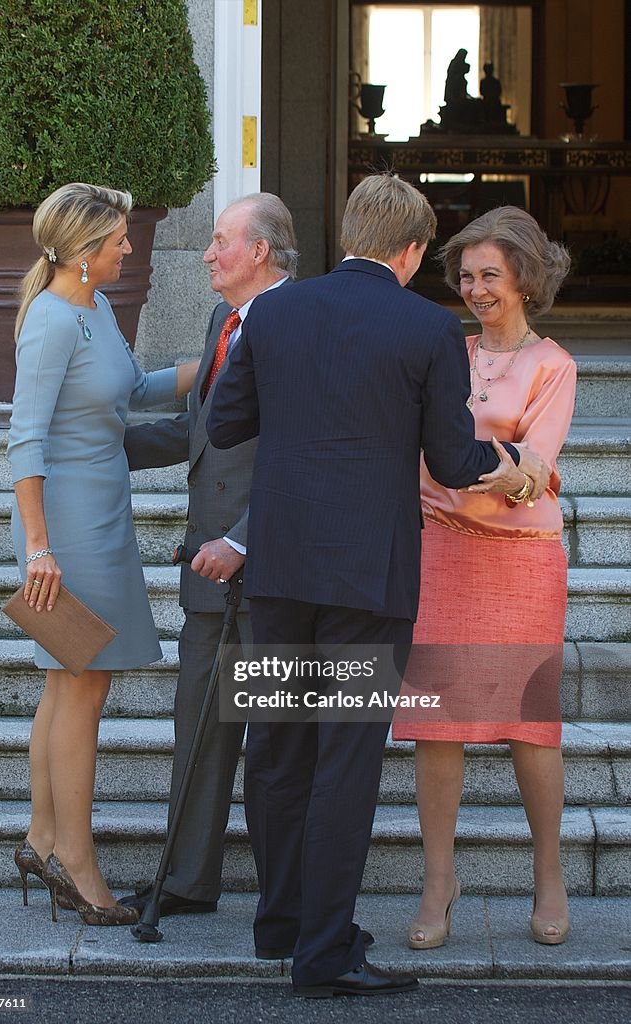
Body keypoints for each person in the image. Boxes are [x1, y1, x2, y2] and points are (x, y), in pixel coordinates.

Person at [206, 174, 547, 997]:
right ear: (414, 249)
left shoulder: (276, 310)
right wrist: (510, 469)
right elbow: (448, 459)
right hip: (367, 574)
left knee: (279, 747)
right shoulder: (426, 326)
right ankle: (323, 953)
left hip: (278, 565)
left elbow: (224, 424)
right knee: (344, 760)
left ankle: (278, 924)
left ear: (348, 231)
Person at [8, 182, 197, 926]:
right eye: (119, 239)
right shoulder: (52, 321)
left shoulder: (97, 308)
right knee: (83, 684)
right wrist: (39, 548)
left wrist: (215, 357)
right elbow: (23, 438)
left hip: (101, 513)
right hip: (66, 529)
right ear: (87, 251)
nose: (129, 247)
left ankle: (43, 838)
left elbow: (134, 391)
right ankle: (76, 863)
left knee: (67, 685)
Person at [392, 206, 575, 949]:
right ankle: (439, 882)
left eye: (489, 276)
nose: (474, 289)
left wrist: (464, 467)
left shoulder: (552, 364)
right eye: (464, 276)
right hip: (439, 551)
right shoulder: (446, 347)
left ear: (524, 279)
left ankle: (550, 873)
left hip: (521, 562)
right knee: (436, 724)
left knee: (532, 729)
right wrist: (489, 466)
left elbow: (536, 468)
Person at [119, 194, 298, 921]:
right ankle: (187, 882)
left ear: (258, 251)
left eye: (220, 240)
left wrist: (246, 538)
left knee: (278, 751)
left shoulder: (299, 324)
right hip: (205, 574)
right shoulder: (222, 322)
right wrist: (94, 449)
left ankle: (288, 901)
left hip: (274, 569)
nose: (205, 252)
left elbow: (303, 454)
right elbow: (198, 431)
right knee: (197, 727)